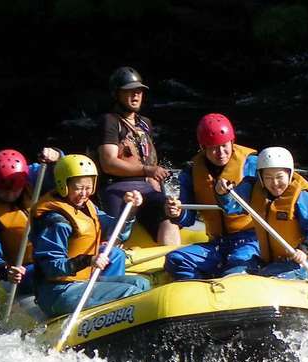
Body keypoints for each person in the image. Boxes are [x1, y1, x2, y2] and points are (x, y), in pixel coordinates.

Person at [31, 154, 151, 317]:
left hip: (80, 282)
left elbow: (116, 232)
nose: (84, 193)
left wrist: (129, 210)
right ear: (63, 185)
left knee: (141, 283)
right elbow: (51, 267)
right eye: (78, 188)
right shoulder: (56, 221)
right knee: (131, 291)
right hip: (58, 293)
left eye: (88, 188)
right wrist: (88, 260)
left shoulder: (87, 206)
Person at [164, 113, 261, 280]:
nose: (221, 152)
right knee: (176, 259)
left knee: (237, 267)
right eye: (214, 147)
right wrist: (177, 213)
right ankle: (201, 297)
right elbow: (188, 218)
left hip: (251, 240)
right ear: (203, 148)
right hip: (218, 243)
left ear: (232, 142)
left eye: (224, 146)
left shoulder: (252, 165)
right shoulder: (191, 173)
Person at [96, 66, 180, 246]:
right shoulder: (110, 121)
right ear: (116, 94)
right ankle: (112, 256)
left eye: (139, 91)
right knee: (115, 230)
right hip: (117, 188)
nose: (136, 95)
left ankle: (175, 262)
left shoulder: (145, 123)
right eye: (129, 91)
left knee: (168, 212)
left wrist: (155, 182)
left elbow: (149, 159)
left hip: (146, 187)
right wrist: (147, 170)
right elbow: (108, 163)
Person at [216, 146, 308, 279]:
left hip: (303, 261)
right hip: (268, 260)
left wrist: (304, 249)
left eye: (279, 177)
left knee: (268, 277)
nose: (275, 183)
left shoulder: (303, 196)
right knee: (233, 274)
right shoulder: (253, 189)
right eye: (268, 177)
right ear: (261, 177)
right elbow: (232, 207)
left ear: (290, 174)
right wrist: (223, 193)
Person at [0, 147, 61, 293]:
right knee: (50, 270)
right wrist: (4, 270)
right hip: (22, 270)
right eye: (3, 190)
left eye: (14, 190)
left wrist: (57, 157)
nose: (9, 195)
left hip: (55, 255)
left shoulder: (32, 175)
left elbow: (66, 173)